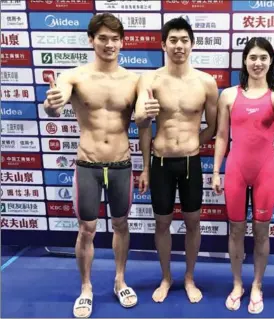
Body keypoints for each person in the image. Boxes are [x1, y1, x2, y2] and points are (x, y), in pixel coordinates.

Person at [43, 13, 139, 318]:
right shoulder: (73, 77)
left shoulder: (134, 80)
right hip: (88, 163)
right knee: (86, 229)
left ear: (122, 42)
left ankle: (120, 280)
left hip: (121, 164)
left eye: (114, 39)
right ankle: (86, 288)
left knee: (121, 224)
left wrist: (148, 113)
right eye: (102, 38)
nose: (109, 44)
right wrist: (51, 105)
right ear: (91, 40)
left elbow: (145, 119)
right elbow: (54, 109)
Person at [134, 17, 219, 304]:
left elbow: (214, 127)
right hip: (160, 163)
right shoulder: (151, 79)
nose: (179, 45)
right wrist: (144, 167)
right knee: (162, 223)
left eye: (184, 40)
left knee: (193, 222)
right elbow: (143, 126)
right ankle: (167, 277)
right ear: (163, 44)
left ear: (192, 44)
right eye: (173, 40)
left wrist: (195, 143)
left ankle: (190, 277)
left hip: (190, 163)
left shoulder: (206, 82)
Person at [212, 37, 274, 314]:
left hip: (265, 172)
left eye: (263, 58)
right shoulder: (229, 96)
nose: (257, 63)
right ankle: (237, 284)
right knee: (235, 230)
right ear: (245, 61)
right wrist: (215, 171)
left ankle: (257, 285)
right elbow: (222, 136)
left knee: (261, 232)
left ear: (270, 61)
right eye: (252, 57)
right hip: (235, 169)